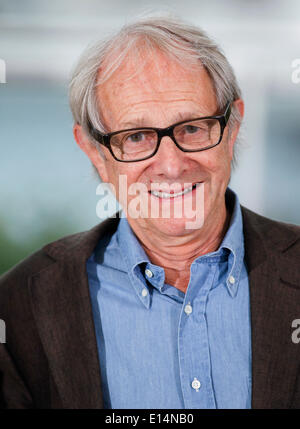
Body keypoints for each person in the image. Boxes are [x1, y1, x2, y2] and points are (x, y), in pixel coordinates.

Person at [0, 16, 299, 410]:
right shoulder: (19, 307)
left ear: (232, 129)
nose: (172, 165)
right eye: (137, 137)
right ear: (95, 153)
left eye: (192, 127)